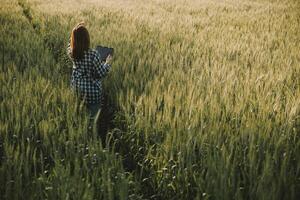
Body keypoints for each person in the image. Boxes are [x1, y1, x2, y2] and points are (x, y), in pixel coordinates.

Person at [67, 22, 113, 132]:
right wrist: (107, 63)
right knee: (92, 121)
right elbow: (101, 73)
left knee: (80, 118)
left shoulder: (71, 52)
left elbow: (70, 44)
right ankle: (92, 136)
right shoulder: (94, 54)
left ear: (73, 40)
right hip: (93, 94)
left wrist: (75, 33)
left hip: (77, 91)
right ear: (87, 39)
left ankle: (81, 135)